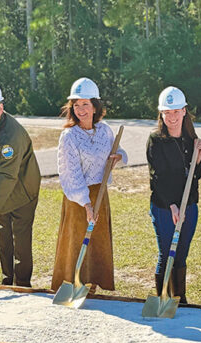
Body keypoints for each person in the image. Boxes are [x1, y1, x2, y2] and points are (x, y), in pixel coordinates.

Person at [51, 77, 127, 293]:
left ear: (95, 106)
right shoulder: (69, 137)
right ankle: (73, 284)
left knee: (97, 242)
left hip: (100, 194)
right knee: (77, 241)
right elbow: (71, 174)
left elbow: (119, 152)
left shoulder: (104, 131)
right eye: (76, 105)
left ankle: (93, 284)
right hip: (78, 199)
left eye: (85, 104)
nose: (81, 109)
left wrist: (118, 157)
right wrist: (85, 204)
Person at [0, 80, 41, 287]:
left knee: (20, 240)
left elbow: (6, 176)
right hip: (1, 192)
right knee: (4, 239)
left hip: (22, 192)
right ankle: (6, 282)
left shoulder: (11, 136)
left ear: (1, 107)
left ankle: (21, 285)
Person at [146, 86, 201, 303]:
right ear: (161, 114)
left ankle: (180, 298)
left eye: (175, 111)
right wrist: (171, 205)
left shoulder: (191, 139)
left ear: (184, 111)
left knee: (181, 254)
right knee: (166, 252)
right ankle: (163, 299)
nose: (171, 117)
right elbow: (157, 177)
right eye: (166, 112)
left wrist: (198, 158)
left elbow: (197, 174)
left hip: (189, 205)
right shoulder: (156, 140)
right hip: (164, 207)